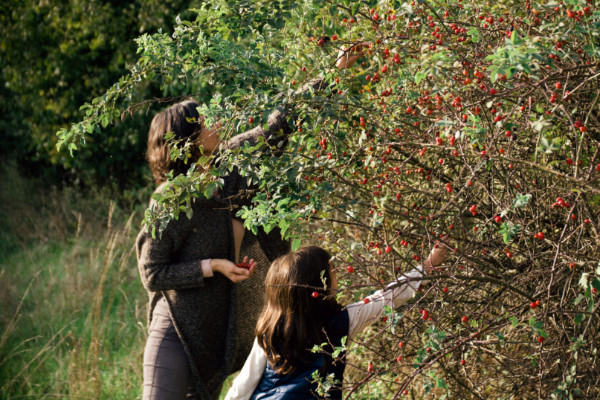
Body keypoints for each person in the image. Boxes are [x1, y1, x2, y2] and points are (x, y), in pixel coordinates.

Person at [136, 43, 367, 400]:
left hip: (219, 335)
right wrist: (211, 266)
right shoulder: (172, 199)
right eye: (203, 122)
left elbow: (280, 125)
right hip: (177, 329)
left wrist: (333, 73)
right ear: (185, 141)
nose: (215, 124)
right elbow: (152, 273)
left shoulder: (233, 163)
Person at [224, 241, 449, 400]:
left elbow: (242, 387)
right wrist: (428, 265)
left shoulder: (270, 330)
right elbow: (386, 299)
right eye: (331, 270)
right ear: (317, 284)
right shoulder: (342, 321)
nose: (336, 274)